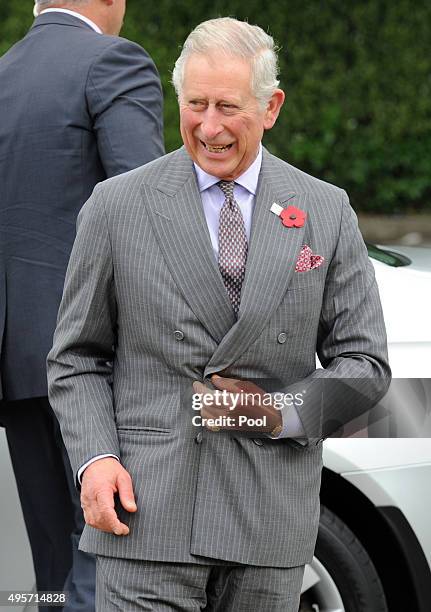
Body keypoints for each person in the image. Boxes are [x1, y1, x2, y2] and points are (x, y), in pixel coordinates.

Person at [47, 17, 390, 612]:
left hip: (268, 518)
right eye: (195, 104)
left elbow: (366, 364)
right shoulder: (116, 205)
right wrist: (95, 462)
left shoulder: (325, 210)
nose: (208, 127)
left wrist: (277, 412)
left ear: (271, 106)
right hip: (147, 516)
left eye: (228, 107)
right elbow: (76, 358)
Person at [0, 0, 164, 610]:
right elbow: (147, 214)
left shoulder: (4, 74)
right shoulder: (112, 62)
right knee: (111, 565)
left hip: (14, 365)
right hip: (94, 366)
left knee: (48, 576)